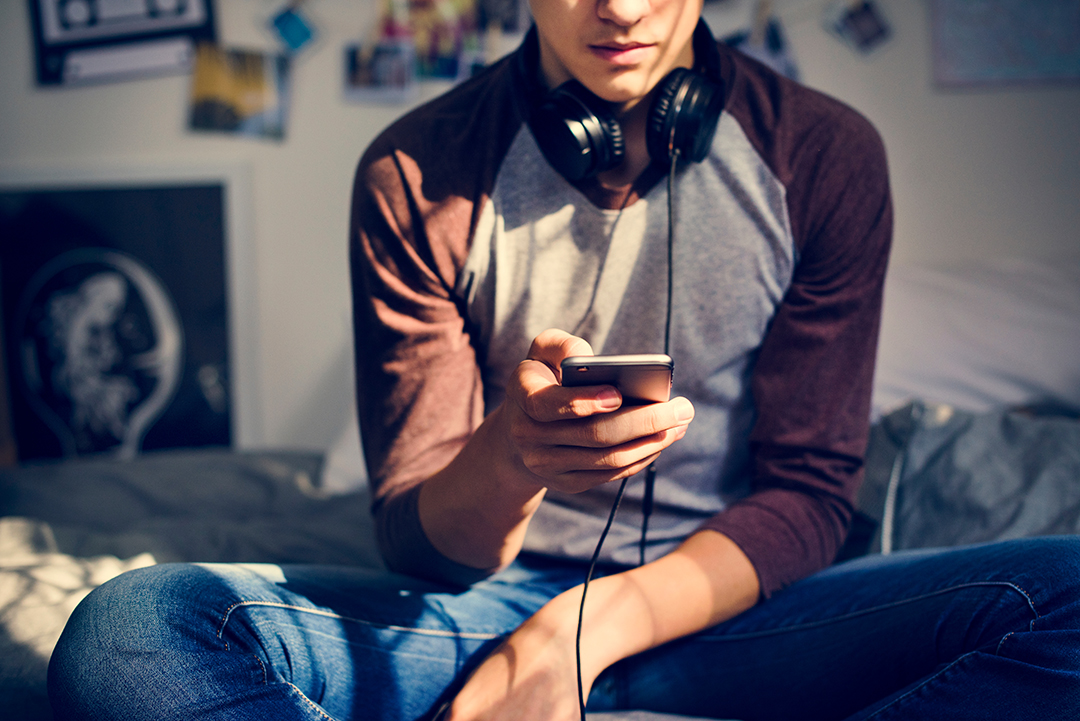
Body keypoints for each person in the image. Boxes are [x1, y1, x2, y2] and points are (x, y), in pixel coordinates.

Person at [49, 1, 1080, 719]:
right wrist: (515, 457)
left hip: (739, 608)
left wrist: (579, 636)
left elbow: (811, 495)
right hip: (479, 610)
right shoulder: (417, 173)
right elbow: (416, 545)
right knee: (129, 631)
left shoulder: (824, 154)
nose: (621, 8)